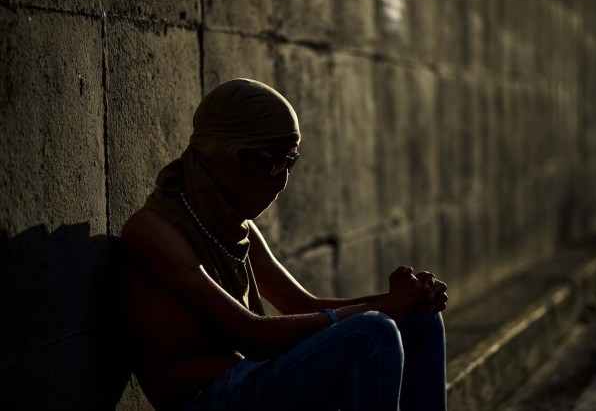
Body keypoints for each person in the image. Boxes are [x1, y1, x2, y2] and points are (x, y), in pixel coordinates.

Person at [121, 78, 448, 411]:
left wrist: (402, 300)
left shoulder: (237, 226)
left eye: (290, 162)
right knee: (370, 334)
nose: (282, 180)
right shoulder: (154, 231)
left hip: (250, 379)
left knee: (418, 320)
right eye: (274, 162)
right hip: (206, 400)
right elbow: (251, 334)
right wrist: (381, 309)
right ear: (230, 156)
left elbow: (301, 303)